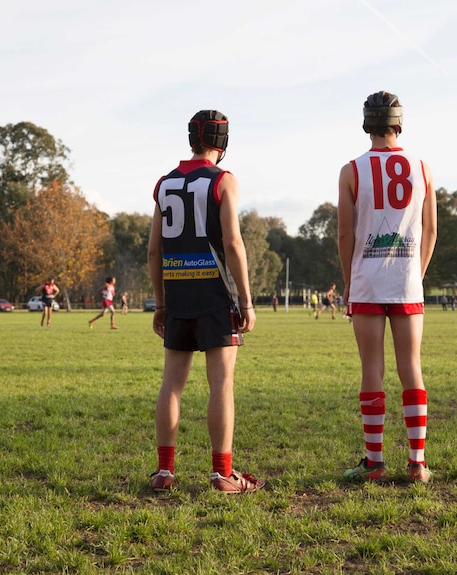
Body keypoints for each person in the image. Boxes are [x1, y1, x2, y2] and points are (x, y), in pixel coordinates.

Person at [147, 109, 263, 493]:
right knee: (221, 385)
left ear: (191, 138)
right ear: (222, 142)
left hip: (178, 295)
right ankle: (222, 474)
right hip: (216, 296)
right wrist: (246, 301)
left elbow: (154, 250)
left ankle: (164, 471)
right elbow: (232, 243)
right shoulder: (223, 181)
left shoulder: (164, 184)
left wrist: (161, 303)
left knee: (172, 385)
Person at [337, 90, 437, 483]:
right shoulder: (423, 168)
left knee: (371, 371)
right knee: (411, 368)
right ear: (399, 122)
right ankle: (417, 463)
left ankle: (374, 462)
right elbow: (430, 231)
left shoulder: (351, 170)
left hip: (366, 282)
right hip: (407, 282)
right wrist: (417, 273)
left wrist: (350, 281)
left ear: (367, 124)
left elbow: (346, 235)